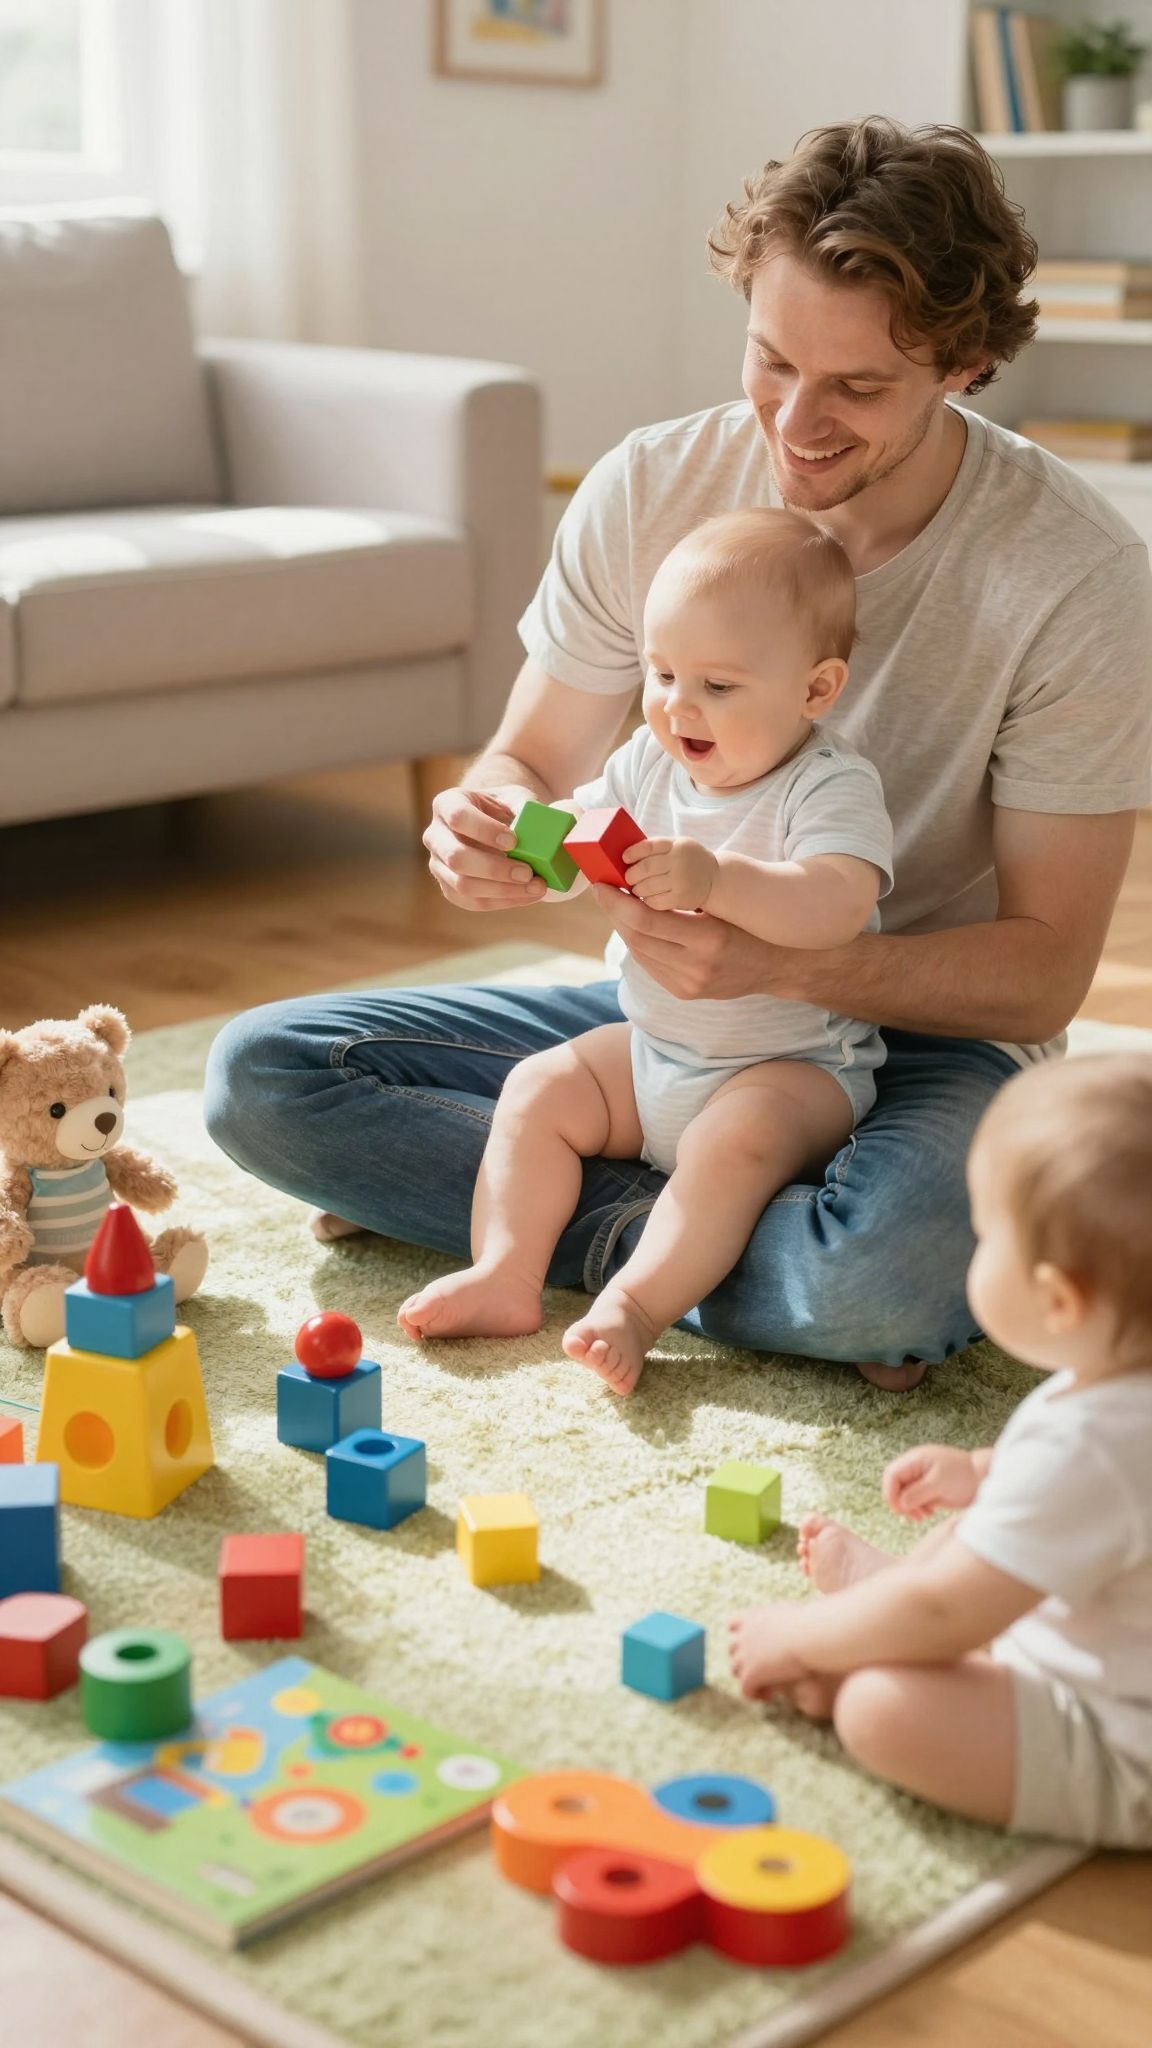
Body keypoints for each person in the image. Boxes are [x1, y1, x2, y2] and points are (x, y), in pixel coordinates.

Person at [203, 117, 1152, 1392]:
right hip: (670, 1019)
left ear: (967, 366)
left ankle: (576, 1230)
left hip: (917, 1035)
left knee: (878, 1266)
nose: (797, 423)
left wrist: (778, 953)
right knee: (263, 1077)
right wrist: (487, 824)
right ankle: (692, 1252)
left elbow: (1042, 977)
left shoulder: (1076, 581)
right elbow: (531, 760)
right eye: (771, 360)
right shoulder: (652, 487)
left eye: (858, 388)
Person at [397, 508, 893, 1393]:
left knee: (732, 1148)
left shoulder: (829, 783)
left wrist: (720, 880)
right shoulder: (646, 761)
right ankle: (506, 1273)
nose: (677, 705)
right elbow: (582, 836)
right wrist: (520, 843)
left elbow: (836, 902)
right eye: (661, 672)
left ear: (816, 690)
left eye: (719, 685)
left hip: (791, 1067)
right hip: (656, 1049)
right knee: (536, 1087)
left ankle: (635, 1304)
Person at [727, 1054, 1152, 1847]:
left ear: (1059, 1299)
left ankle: (867, 1631)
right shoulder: (1119, 1385)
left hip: (1118, 1738)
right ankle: (882, 1613)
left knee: (882, 1707)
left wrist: (799, 1635)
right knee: (976, 1529)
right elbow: (1097, 1501)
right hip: (1101, 1632)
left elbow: (944, 1608)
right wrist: (987, 1471)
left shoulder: (1096, 1444)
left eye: (985, 1236)